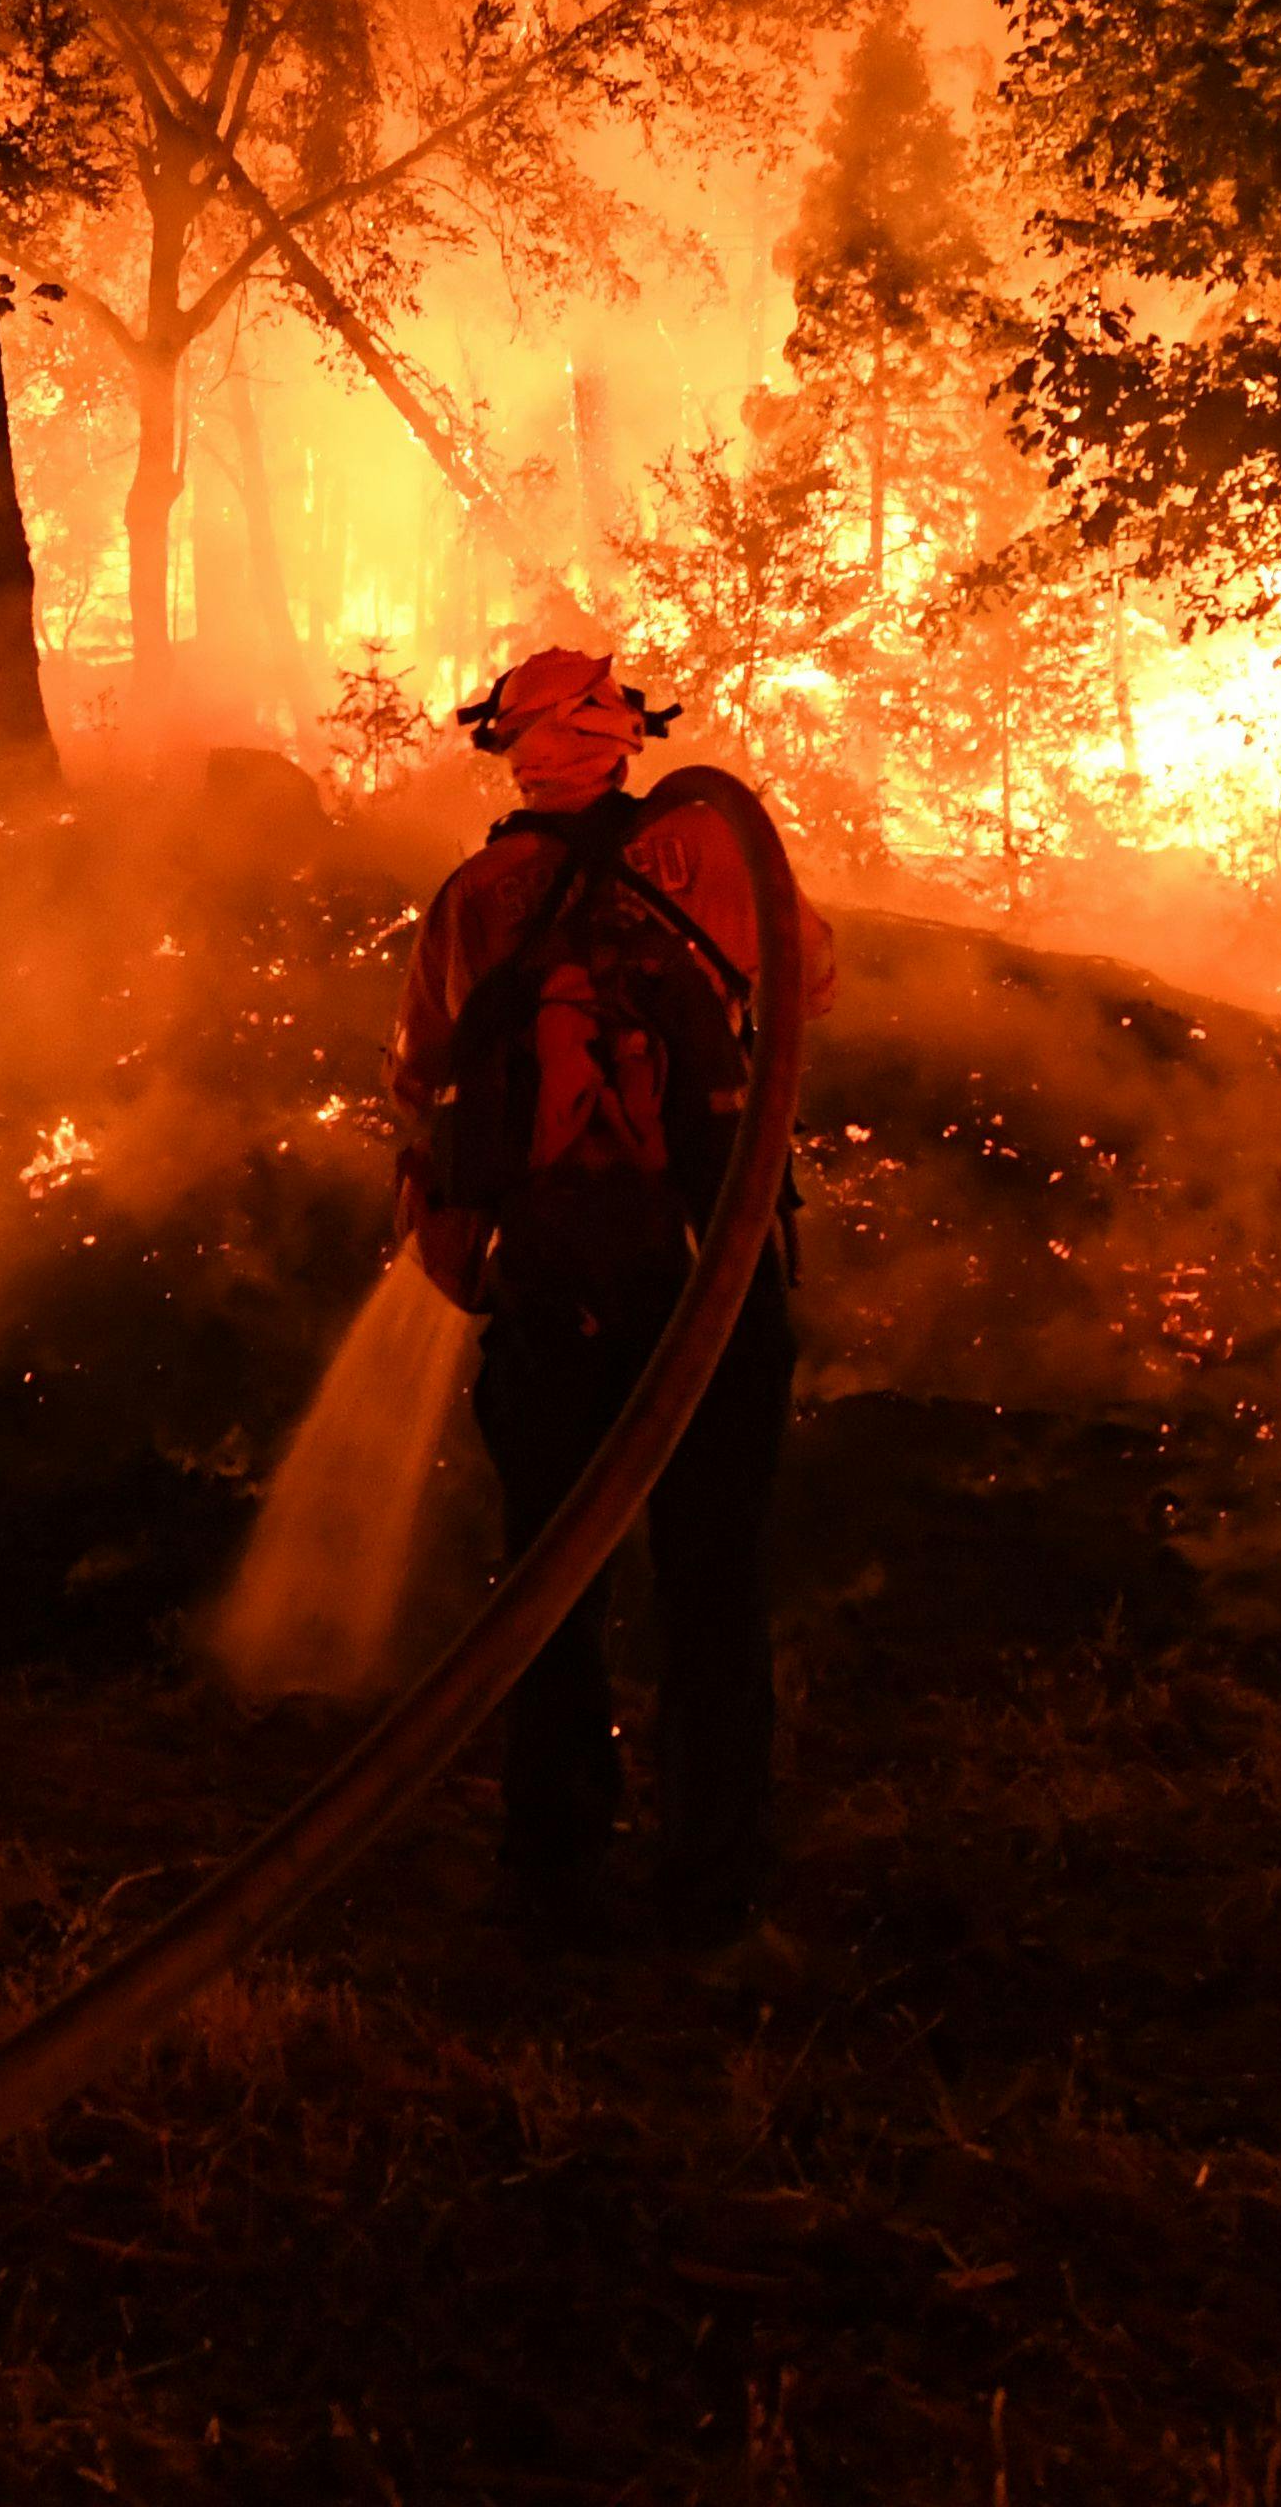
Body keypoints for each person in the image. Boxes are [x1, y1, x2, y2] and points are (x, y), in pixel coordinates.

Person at [386, 647, 832, 1951]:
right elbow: (810, 982)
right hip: (713, 1278)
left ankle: (554, 1857)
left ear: (512, 748)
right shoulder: (714, 846)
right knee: (712, 1582)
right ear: (625, 736)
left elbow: (419, 1083)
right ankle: (715, 1869)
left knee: (543, 1582)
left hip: (551, 1295)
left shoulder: (474, 899)